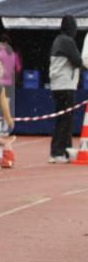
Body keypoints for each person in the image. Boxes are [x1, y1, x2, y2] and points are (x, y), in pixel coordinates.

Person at [48, 15, 82, 163]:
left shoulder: (58, 40)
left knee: (62, 119)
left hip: (57, 85)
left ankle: (64, 150)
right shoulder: (68, 41)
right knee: (65, 120)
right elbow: (78, 61)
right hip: (65, 85)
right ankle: (58, 152)